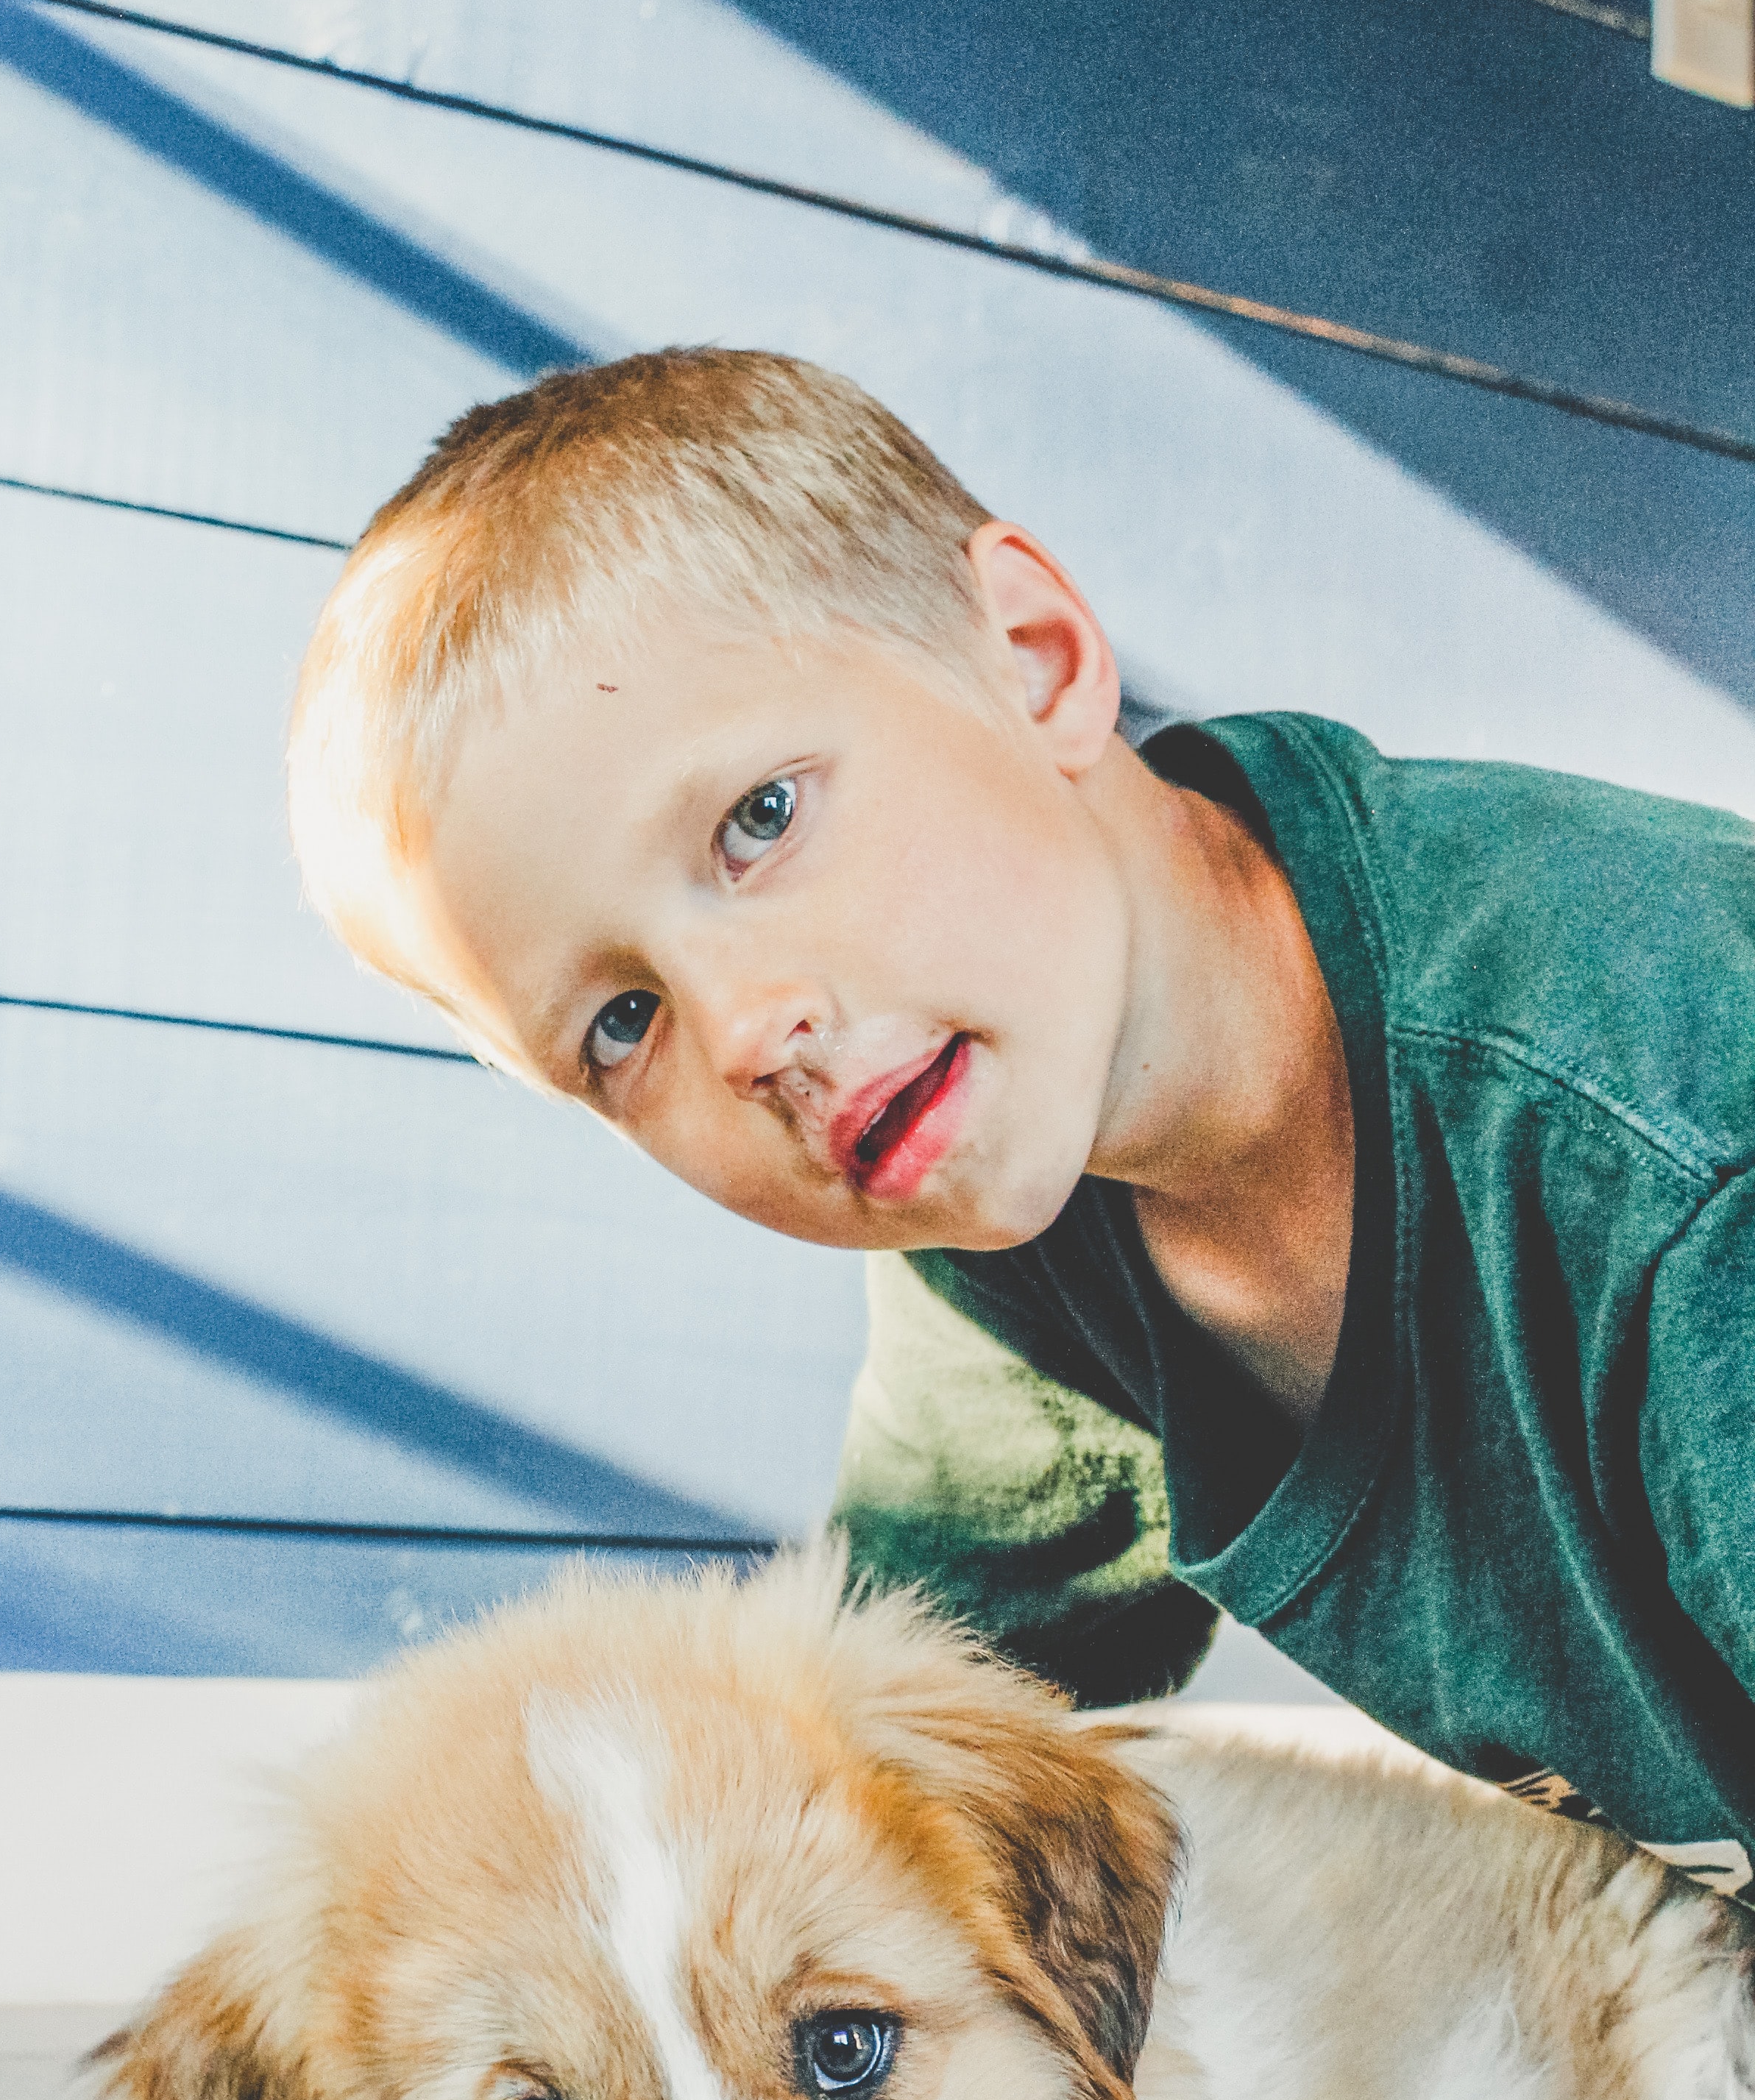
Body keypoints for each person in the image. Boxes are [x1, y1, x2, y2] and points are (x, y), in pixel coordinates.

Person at [286, 347, 1754, 1901]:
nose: (739, 1032)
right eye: (618, 1025)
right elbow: (863, 1775)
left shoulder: (1664, 1167)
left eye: (758, 819)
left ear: (1035, 659)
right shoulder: (997, 1206)